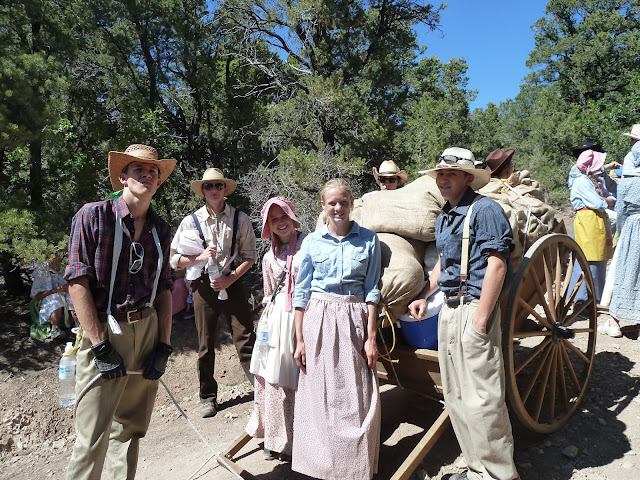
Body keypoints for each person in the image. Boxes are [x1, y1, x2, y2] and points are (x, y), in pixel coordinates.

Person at [64, 144, 176, 480]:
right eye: (138, 169)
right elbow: (77, 281)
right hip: (104, 330)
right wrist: (99, 345)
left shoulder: (160, 229)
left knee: (129, 430)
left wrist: (164, 345)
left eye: (153, 171)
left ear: (158, 182)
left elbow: (164, 289)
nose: (147, 174)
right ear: (123, 178)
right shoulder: (94, 216)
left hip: (146, 329)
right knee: (92, 438)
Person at [408, 147, 518, 480]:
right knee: (455, 396)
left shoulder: (485, 209)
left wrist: (482, 320)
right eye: (440, 174)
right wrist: (424, 294)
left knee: (482, 399)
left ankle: (499, 475)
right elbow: (445, 263)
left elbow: (497, 265)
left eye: (451, 174)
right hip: (449, 308)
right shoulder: (446, 214)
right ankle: (476, 470)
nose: (443, 179)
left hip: (473, 308)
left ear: (468, 178)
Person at [291, 178, 381, 480]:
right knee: (321, 394)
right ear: (323, 205)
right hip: (319, 318)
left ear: (352, 203)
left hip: (354, 317)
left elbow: (372, 290)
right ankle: (323, 467)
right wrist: (299, 339)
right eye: (332, 203)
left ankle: (355, 469)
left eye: (343, 201)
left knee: (356, 395)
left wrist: (371, 337)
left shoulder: (369, 240)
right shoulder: (312, 242)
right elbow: (301, 293)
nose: (338, 207)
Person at [170, 168, 256, 418]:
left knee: (245, 338)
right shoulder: (190, 221)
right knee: (205, 344)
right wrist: (199, 258)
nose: (214, 190)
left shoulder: (240, 218)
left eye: (218, 185)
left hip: (233, 282)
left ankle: (261, 389)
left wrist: (229, 279)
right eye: (209, 186)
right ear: (202, 191)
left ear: (225, 189)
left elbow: (250, 256)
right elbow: (174, 260)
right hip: (203, 287)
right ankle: (207, 397)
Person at [245, 197, 306, 461]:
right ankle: (277, 436)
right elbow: (269, 293)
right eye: (274, 219)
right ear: (268, 225)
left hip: (304, 317)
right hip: (276, 323)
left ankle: (303, 440)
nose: (280, 223)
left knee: (299, 379)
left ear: (292, 217)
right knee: (272, 379)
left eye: (284, 217)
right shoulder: (269, 257)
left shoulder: (309, 245)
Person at [602, 126, 640, 336]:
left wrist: (624, 232)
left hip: (634, 226)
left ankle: (614, 321)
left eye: (633, 140)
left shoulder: (629, 178)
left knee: (625, 269)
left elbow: (622, 209)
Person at [567, 149, 614, 310]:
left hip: (594, 221)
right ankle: (581, 300)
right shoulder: (581, 181)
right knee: (587, 260)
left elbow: (604, 198)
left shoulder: (590, 179)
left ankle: (595, 299)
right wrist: (607, 200)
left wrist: (606, 199)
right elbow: (598, 203)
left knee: (597, 259)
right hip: (587, 221)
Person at [30, 255, 74, 340]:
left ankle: (78, 324)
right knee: (56, 298)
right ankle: (55, 329)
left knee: (73, 296)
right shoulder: (42, 270)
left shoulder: (65, 267)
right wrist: (54, 290)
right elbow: (37, 296)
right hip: (45, 299)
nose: (59, 257)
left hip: (63, 295)